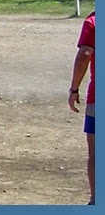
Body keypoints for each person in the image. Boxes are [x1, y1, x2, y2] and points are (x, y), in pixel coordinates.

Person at [68, 11, 95, 205]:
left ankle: (96, 199)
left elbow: (85, 54)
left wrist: (74, 88)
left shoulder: (93, 21)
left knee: (96, 151)